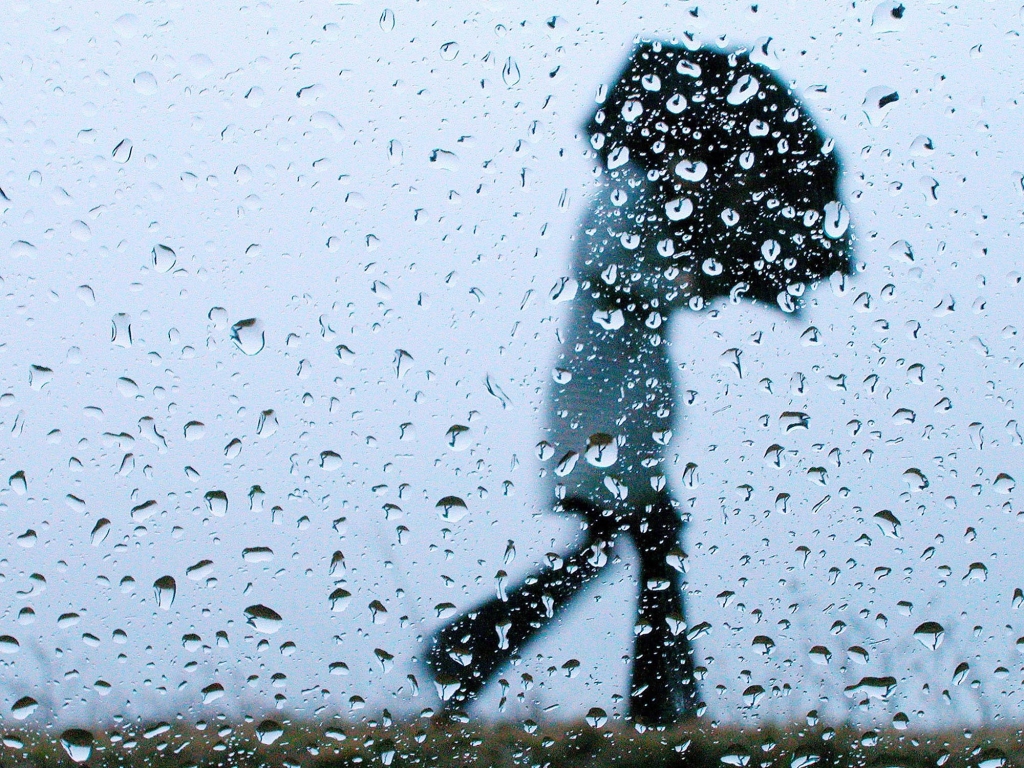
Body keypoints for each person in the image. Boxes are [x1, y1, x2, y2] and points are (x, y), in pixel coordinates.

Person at [427, 38, 852, 726]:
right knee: (649, 547)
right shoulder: (627, 195)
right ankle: (648, 703)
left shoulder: (656, 200)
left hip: (625, 413)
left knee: (624, 552)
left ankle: (496, 657)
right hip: (598, 416)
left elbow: (651, 276)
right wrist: (684, 278)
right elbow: (604, 263)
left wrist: (719, 267)